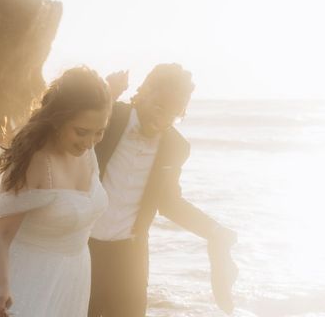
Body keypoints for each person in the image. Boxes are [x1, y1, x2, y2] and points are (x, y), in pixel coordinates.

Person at [88, 63, 238, 317]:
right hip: (82, 247)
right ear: (144, 91)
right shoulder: (110, 116)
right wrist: (106, 93)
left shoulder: (176, 146)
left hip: (129, 258)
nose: (161, 121)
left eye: (173, 114)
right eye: (159, 107)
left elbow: (169, 203)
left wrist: (214, 231)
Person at [0, 66, 112, 317]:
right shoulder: (36, 161)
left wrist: (112, 90)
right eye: (81, 132)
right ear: (59, 119)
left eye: (100, 132)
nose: (89, 142)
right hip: (26, 277)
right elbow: (0, 232)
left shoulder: (87, 151)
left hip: (72, 276)